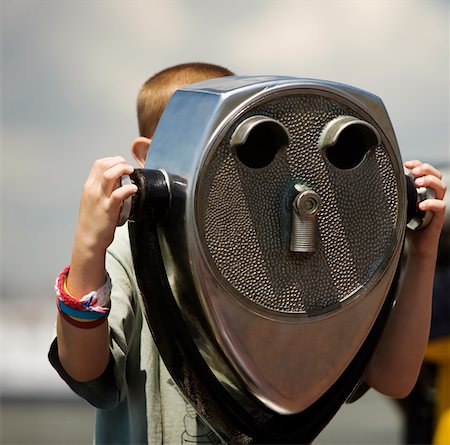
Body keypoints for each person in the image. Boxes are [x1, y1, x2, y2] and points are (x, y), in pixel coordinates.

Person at [48, 62, 447, 445]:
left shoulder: (304, 259)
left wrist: (421, 253)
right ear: (148, 157)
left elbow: (394, 379)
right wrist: (90, 245)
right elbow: (84, 367)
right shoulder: (130, 252)